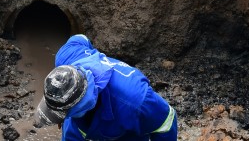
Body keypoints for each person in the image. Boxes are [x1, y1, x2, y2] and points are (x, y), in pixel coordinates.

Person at [34, 34, 177, 140]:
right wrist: (62, 116)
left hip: (125, 128)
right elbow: (80, 38)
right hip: (83, 120)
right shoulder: (67, 56)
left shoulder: (135, 102)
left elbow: (167, 121)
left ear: (84, 105)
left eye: (64, 114)